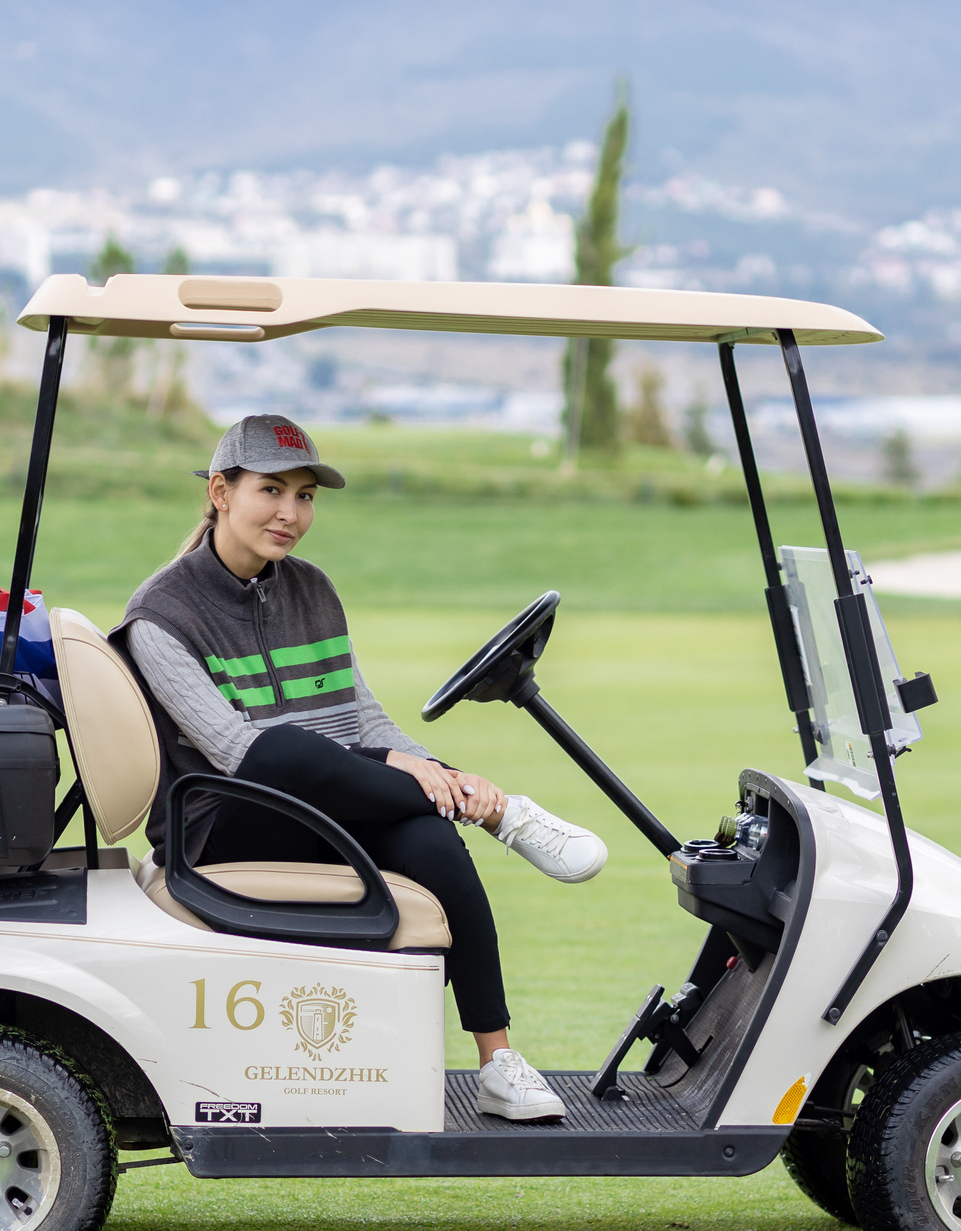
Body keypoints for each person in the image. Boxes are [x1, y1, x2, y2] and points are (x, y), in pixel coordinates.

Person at [120, 414, 608, 1124]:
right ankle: (502, 811)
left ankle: (498, 1060)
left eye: (307, 495)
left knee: (430, 840)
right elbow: (236, 752)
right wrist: (418, 775)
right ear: (220, 492)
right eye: (272, 490)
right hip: (220, 823)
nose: (292, 513)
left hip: (321, 801)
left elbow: (362, 719)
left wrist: (433, 768)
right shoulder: (160, 612)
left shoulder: (311, 590)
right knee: (283, 747)